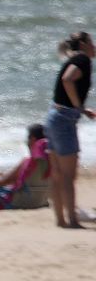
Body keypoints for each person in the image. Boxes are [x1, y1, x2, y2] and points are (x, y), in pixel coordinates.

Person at [46, 32, 94, 229]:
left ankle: (60, 220)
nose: (95, 46)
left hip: (53, 117)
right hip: (65, 119)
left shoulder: (72, 58)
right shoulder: (82, 59)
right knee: (67, 175)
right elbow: (68, 80)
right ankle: (72, 220)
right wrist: (79, 108)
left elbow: (65, 73)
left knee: (57, 174)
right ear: (83, 44)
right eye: (92, 42)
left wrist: (80, 109)